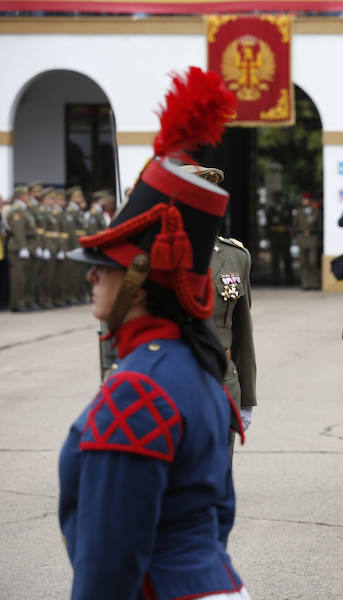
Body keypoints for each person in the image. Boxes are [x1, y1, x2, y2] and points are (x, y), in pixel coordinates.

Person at [58, 66, 248, 599]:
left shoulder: (137, 387)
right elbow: (219, 519)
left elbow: (108, 565)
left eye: (107, 263)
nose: (94, 273)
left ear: (142, 277)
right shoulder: (197, 368)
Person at [182, 164, 258, 450]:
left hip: (221, 382)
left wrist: (246, 398)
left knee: (216, 480)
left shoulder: (235, 256)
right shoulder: (152, 254)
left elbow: (243, 332)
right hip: (170, 383)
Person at [6, 186, 36, 312]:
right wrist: (23, 247)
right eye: (26, 195)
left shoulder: (24, 209)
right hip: (18, 246)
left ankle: (23, 301)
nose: (28, 197)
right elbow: (18, 231)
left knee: (23, 277)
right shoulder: (17, 210)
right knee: (17, 277)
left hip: (25, 244)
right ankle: (17, 304)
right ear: (20, 196)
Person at [293, 191, 322, 289]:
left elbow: (320, 227)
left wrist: (320, 239)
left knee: (313, 261)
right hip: (302, 238)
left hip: (312, 238)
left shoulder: (316, 211)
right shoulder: (298, 211)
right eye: (303, 199)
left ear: (310, 200)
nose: (305, 201)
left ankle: (315, 282)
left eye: (307, 199)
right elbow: (295, 226)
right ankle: (305, 283)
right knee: (303, 262)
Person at [266, 190, 293, 285]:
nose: (277, 199)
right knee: (275, 259)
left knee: (287, 258)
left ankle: (289, 278)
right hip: (274, 236)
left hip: (284, 235)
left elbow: (291, 221)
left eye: (278, 197)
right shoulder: (271, 209)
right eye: (275, 197)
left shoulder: (287, 208)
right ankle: (275, 278)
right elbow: (268, 223)